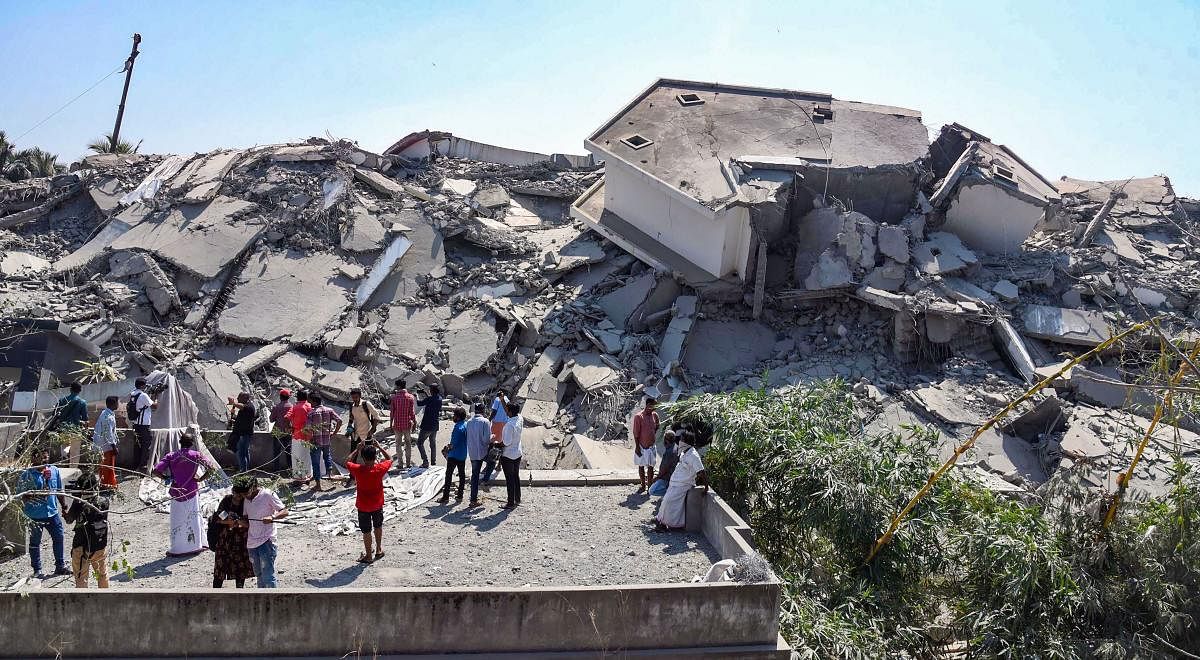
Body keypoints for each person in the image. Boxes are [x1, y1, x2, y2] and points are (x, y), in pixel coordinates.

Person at [152, 432, 213, 556]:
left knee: (178, 519)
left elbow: (156, 471)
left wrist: (166, 478)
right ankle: (196, 545)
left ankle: (179, 548)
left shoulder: (171, 456)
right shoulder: (196, 455)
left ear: (180, 443)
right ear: (192, 444)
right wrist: (200, 479)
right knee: (194, 517)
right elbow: (211, 468)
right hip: (192, 489)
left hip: (176, 491)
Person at [16, 447, 70, 577]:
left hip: (52, 513)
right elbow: (21, 496)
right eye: (41, 458)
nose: (45, 461)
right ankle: (37, 570)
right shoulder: (26, 475)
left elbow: (58, 490)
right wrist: (36, 493)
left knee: (59, 537)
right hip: (35, 515)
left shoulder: (54, 470)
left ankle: (60, 566)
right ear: (33, 459)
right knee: (35, 542)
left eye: (46, 458)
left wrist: (63, 505)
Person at [346, 440, 392, 563]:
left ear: (363, 457)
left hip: (363, 506)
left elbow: (348, 461)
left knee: (366, 531)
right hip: (377, 504)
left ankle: (368, 555)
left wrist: (357, 449)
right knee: (378, 526)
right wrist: (379, 446)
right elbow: (390, 459)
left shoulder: (358, 469)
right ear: (375, 456)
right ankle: (378, 549)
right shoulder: (379, 468)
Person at [64, 470, 111, 588]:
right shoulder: (104, 502)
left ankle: (82, 604)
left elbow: (69, 520)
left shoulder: (79, 504)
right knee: (102, 575)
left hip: (81, 547)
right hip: (100, 546)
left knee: (81, 578)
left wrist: (67, 510)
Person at [655, 430, 707, 531]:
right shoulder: (684, 453)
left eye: (682, 439)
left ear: (687, 441)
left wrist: (706, 486)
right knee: (666, 501)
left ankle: (666, 523)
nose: (680, 441)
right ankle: (660, 519)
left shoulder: (694, 456)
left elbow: (701, 471)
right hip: (675, 483)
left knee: (669, 501)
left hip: (683, 484)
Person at [242, 477, 288, 588]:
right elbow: (247, 521)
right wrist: (239, 522)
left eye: (246, 493)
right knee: (259, 575)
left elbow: (284, 511)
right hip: (252, 542)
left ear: (254, 487)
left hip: (266, 541)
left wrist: (272, 517)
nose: (245, 496)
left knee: (268, 575)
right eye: (243, 494)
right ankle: (262, 602)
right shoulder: (246, 500)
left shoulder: (268, 495)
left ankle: (272, 602)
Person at [211, 479, 254, 588]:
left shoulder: (246, 503)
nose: (237, 497)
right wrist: (228, 520)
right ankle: (215, 592)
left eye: (240, 495)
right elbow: (218, 516)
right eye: (236, 494)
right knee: (220, 568)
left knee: (240, 568)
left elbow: (248, 521)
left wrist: (239, 522)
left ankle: (239, 592)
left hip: (241, 540)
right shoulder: (227, 500)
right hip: (225, 539)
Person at [344, 388, 380, 487]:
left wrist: (372, 429)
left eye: (356, 397)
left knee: (368, 458)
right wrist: (349, 428)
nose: (354, 399)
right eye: (353, 397)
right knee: (353, 457)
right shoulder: (352, 406)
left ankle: (372, 476)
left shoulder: (366, 404)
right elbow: (351, 419)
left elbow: (376, 416)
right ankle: (352, 478)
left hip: (366, 435)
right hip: (355, 435)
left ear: (360, 396)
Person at [305, 394, 341, 491]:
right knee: (327, 456)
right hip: (326, 440)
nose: (309, 403)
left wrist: (311, 436)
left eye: (310, 401)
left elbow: (308, 428)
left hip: (315, 441)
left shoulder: (311, 413)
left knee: (315, 462)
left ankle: (318, 485)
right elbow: (339, 420)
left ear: (314, 401)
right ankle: (330, 474)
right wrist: (334, 433)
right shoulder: (329, 410)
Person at [438, 407, 469, 504]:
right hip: (463, 453)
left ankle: (445, 497)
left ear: (458, 417)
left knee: (448, 475)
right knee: (462, 475)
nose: (453, 417)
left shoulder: (457, 428)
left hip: (454, 455)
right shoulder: (466, 425)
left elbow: (453, 444)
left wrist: (447, 449)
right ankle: (460, 496)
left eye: (454, 415)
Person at [464, 403, 493, 507]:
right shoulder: (485, 422)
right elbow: (486, 440)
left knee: (474, 475)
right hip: (482, 452)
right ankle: (485, 480)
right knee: (492, 462)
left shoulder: (469, 422)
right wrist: (492, 437)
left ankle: (473, 500)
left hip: (472, 452)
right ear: (483, 410)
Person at [129, 378, 158, 472]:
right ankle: (143, 467)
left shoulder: (133, 394)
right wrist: (156, 397)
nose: (146, 387)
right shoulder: (143, 395)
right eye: (145, 385)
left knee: (137, 445)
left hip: (136, 424)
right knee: (146, 445)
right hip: (144, 425)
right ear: (142, 386)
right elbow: (154, 407)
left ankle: (135, 466)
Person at [632, 398, 660, 494]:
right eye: (653, 406)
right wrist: (637, 447)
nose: (655, 408)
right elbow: (636, 433)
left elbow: (657, 425)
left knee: (651, 467)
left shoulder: (655, 415)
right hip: (641, 446)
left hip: (651, 447)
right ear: (648, 405)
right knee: (641, 466)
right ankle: (643, 485)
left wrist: (652, 434)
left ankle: (650, 487)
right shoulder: (638, 417)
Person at [500, 401, 524, 509]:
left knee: (509, 479)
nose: (506, 412)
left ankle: (510, 503)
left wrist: (496, 443)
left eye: (507, 410)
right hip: (517, 452)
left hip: (508, 454)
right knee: (515, 476)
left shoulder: (509, 425)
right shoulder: (520, 418)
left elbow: (506, 442)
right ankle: (517, 498)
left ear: (510, 412)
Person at [93, 396, 120, 489]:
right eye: (117, 403)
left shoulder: (106, 413)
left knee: (105, 465)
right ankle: (107, 484)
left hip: (102, 444)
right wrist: (114, 446)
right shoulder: (108, 417)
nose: (118, 405)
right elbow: (108, 433)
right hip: (105, 445)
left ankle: (108, 483)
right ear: (113, 404)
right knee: (107, 465)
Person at [227, 392, 257, 473]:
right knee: (245, 453)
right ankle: (246, 470)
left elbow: (242, 406)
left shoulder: (249, 407)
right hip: (243, 434)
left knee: (241, 454)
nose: (238, 399)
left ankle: (243, 472)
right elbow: (242, 419)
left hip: (243, 434)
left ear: (245, 398)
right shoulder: (246, 408)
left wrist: (233, 403)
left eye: (239, 397)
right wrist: (233, 418)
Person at [287, 390, 313, 485]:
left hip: (297, 435)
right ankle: (308, 476)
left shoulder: (295, 407)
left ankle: (299, 478)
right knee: (307, 456)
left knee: (297, 457)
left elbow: (287, 417)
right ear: (306, 397)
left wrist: (291, 427)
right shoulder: (310, 406)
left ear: (297, 397)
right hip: (308, 435)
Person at [389, 380, 416, 469]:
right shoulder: (410, 397)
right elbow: (412, 413)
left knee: (398, 444)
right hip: (407, 424)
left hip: (397, 424)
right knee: (408, 443)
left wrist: (390, 423)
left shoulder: (394, 398)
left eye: (396, 385)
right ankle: (408, 464)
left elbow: (392, 412)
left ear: (398, 386)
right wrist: (414, 422)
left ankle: (400, 464)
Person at [415, 384, 443, 468]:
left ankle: (425, 461)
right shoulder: (440, 398)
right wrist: (426, 394)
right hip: (435, 424)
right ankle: (433, 462)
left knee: (420, 443)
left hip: (427, 425)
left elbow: (419, 403)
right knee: (432, 443)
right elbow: (431, 400)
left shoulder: (429, 399)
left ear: (432, 390)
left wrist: (416, 396)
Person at [268, 389, 294, 473]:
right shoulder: (292, 407)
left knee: (276, 452)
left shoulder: (277, 407)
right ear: (289, 397)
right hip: (288, 431)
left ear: (280, 397)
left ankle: (276, 471)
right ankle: (290, 469)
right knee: (288, 451)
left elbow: (271, 420)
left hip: (278, 432)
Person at [648, 429, 679, 496]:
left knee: (652, 491)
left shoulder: (669, 452)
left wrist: (657, 477)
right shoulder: (676, 447)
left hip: (668, 477)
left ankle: (670, 494)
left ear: (666, 440)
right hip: (674, 476)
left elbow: (664, 469)